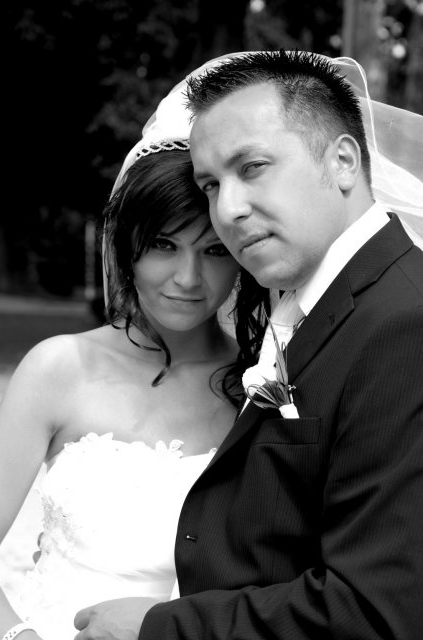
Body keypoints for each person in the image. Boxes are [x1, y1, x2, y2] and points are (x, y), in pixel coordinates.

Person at [74, 51, 423, 640]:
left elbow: (376, 613)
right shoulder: (311, 308)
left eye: (253, 167)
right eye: (211, 185)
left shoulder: (405, 322)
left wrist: (157, 629)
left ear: (342, 161)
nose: (228, 210)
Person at [0, 143, 271, 640]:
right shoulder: (58, 368)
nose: (187, 279)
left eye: (214, 250)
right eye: (164, 245)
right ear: (127, 248)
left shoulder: (259, 387)